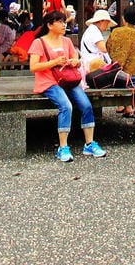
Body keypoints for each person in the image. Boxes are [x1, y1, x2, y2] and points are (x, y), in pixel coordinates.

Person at [29, 10, 107, 162]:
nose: (64, 25)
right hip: (49, 81)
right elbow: (33, 67)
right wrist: (54, 62)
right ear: (50, 25)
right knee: (66, 106)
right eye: (60, 22)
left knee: (86, 105)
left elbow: (76, 58)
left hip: (68, 80)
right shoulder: (39, 42)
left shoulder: (67, 41)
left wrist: (75, 62)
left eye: (64, 22)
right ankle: (63, 147)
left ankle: (90, 144)